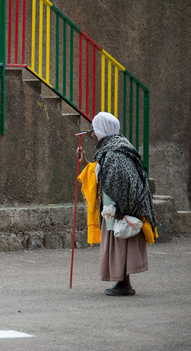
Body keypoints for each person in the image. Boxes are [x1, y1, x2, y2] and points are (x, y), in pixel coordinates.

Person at [77, 112, 157, 296]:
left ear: (102, 130)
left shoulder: (114, 153)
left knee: (121, 245)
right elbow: (104, 175)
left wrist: (122, 209)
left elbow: (120, 181)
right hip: (117, 208)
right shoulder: (117, 148)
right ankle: (122, 282)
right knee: (120, 245)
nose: (92, 135)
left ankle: (124, 284)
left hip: (120, 210)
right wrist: (85, 162)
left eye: (94, 130)